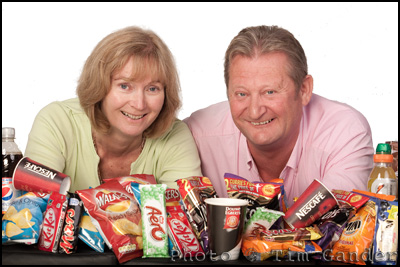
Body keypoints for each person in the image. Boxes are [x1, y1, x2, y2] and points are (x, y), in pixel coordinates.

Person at [184, 25, 374, 207]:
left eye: (270, 92)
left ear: (304, 89)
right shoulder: (196, 134)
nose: (255, 111)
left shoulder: (343, 132)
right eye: (242, 94)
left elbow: (336, 223)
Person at [25, 26, 202, 192]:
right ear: (98, 86)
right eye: (125, 86)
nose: (139, 104)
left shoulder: (175, 136)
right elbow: (32, 209)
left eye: (152, 88)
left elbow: (186, 218)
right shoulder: (57, 122)